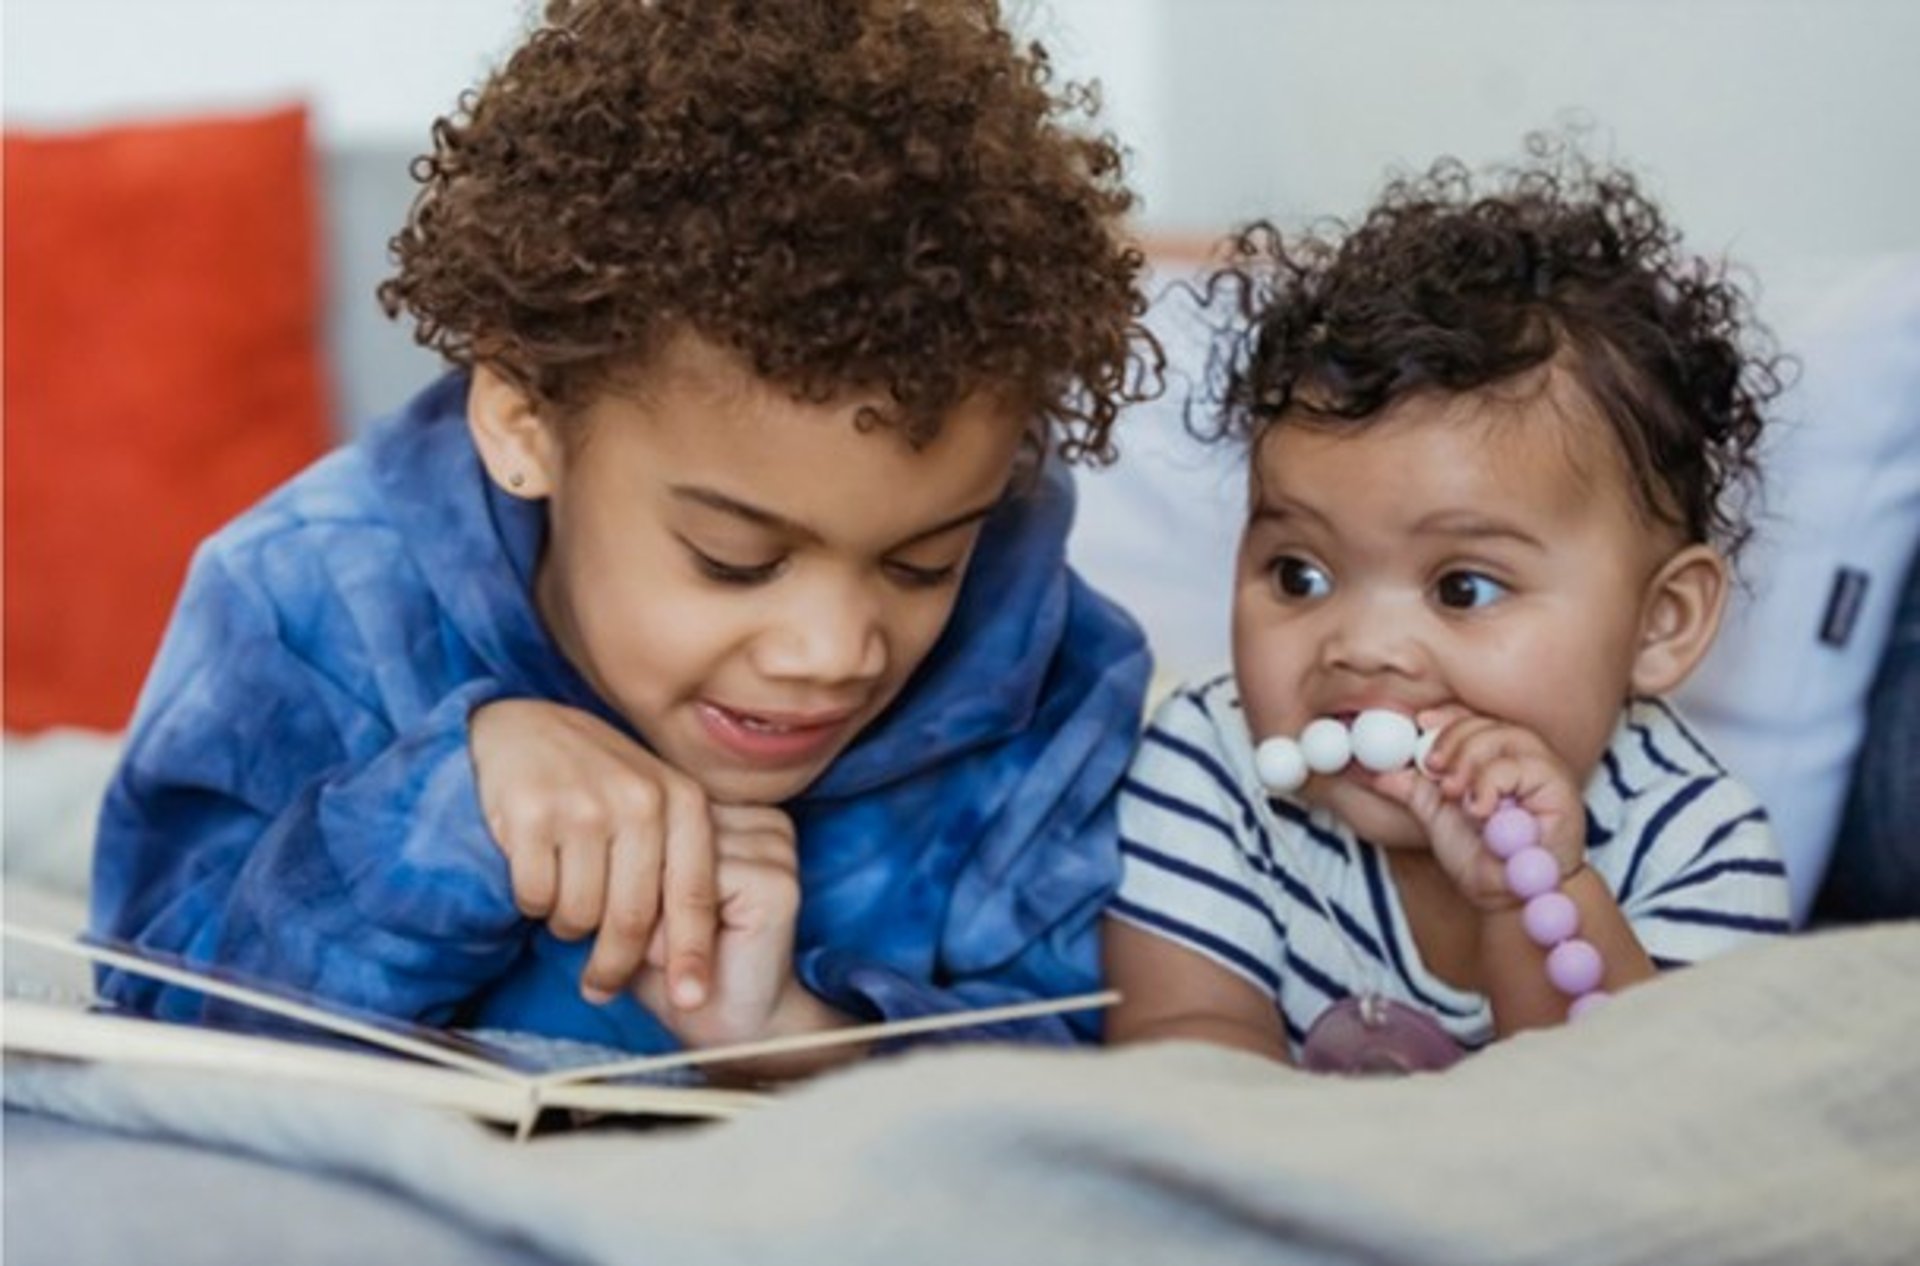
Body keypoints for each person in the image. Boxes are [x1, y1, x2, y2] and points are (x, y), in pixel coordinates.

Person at [90, 0, 1162, 1075]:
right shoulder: (306, 604)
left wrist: (795, 1040)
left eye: (923, 562)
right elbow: (150, 1019)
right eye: (735, 560)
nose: (835, 651)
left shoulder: (1051, 681)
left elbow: (1091, 1074)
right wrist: (438, 820)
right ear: (522, 425)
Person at [1103, 140, 1792, 1067]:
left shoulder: (1697, 841)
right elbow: (1184, 1053)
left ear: (1660, 624)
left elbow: (1652, 1121)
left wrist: (1529, 892)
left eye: (1462, 589)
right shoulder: (1212, 766)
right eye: (1299, 575)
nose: (1361, 646)